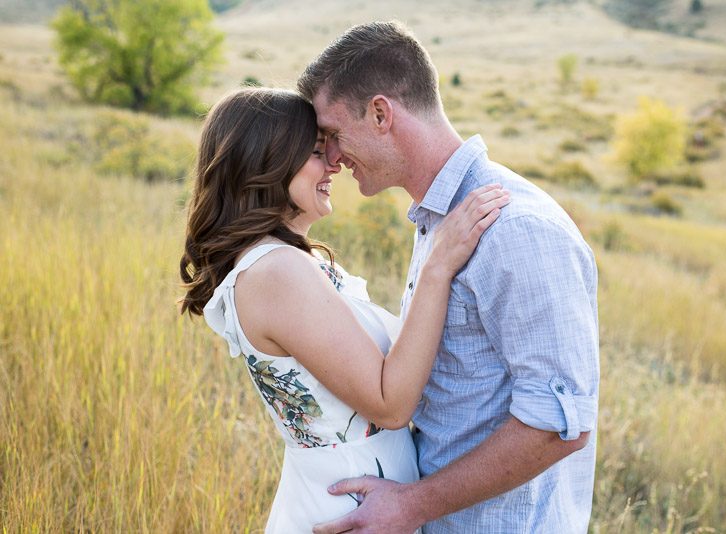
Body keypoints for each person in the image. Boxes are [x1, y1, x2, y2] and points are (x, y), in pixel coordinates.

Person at [298, 21, 600, 534]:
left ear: (380, 114)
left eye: (333, 135)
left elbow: (558, 426)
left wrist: (413, 505)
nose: (331, 157)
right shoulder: (441, 221)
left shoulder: (515, 229)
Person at [178, 87, 509, 533]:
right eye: (316, 152)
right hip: (346, 508)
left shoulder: (290, 261)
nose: (334, 163)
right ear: (267, 164)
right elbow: (390, 405)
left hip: (364, 503)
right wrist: (438, 266)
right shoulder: (276, 271)